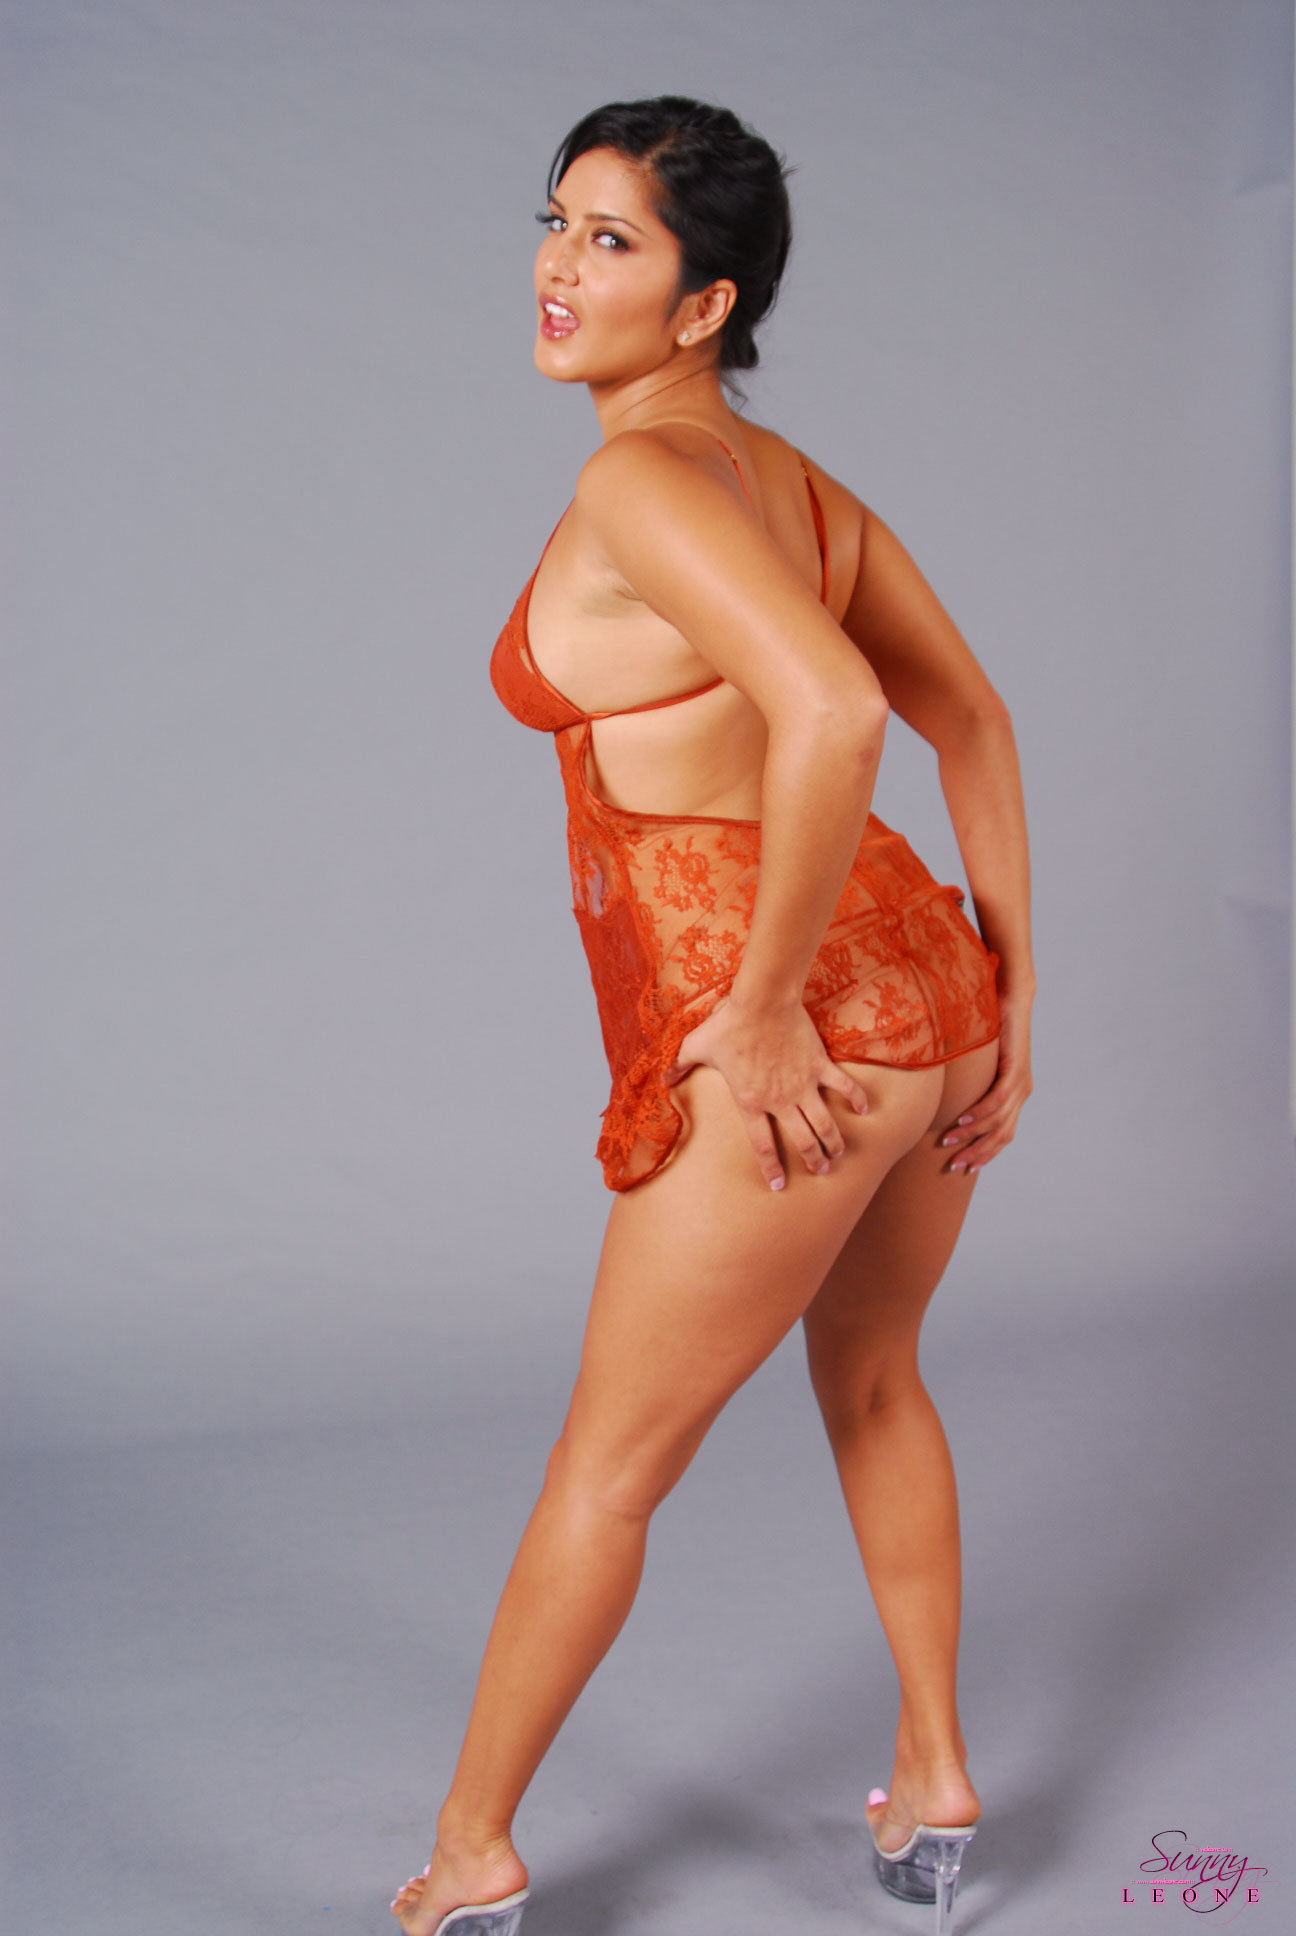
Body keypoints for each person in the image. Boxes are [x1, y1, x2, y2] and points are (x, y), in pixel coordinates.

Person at [390, 94, 1034, 1936]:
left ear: (702, 305)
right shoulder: (795, 487)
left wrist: (755, 1014)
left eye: (612, 241)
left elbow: (840, 713)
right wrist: (1014, 984)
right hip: (932, 998)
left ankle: (470, 1857)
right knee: (878, 1379)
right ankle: (934, 1774)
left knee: (606, 1471)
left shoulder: (640, 485)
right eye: (555, 220)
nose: (557, 266)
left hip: (804, 1049)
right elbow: (973, 717)